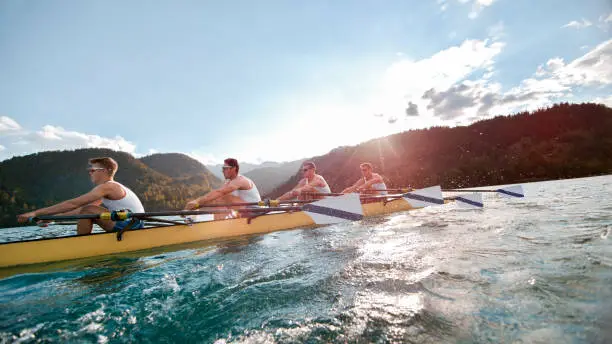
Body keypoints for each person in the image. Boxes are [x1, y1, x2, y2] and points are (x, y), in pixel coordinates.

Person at [17, 157, 145, 235]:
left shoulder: (108, 187)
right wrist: (52, 218)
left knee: (88, 210)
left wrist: (34, 213)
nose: (90, 173)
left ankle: (81, 244)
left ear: (105, 171)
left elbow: (73, 204)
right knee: (88, 210)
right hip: (133, 223)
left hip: (131, 225)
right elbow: (80, 211)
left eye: (92, 170)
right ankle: (83, 242)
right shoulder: (110, 189)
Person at [184, 158, 261, 219]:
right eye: (222, 168)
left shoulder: (240, 180)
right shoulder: (228, 182)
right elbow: (214, 196)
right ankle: (217, 224)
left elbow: (220, 193)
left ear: (233, 169)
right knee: (217, 198)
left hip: (255, 210)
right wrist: (195, 206)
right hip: (242, 210)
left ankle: (219, 225)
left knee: (223, 196)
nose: (222, 171)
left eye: (225, 168)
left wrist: (197, 201)